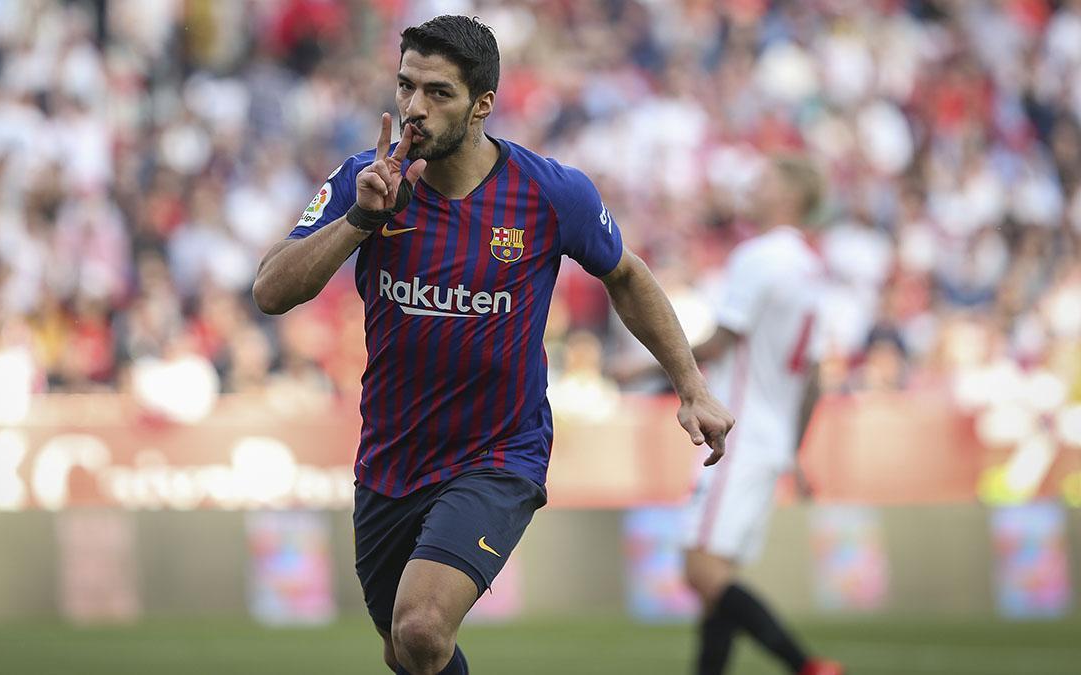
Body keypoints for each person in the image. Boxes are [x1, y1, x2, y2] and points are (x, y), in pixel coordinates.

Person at [252, 15, 734, 675]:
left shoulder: (549, 193)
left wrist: (692, 385)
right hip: (390, 459)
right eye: (406, 85)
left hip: (497, 454)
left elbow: (625, 272)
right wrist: (362, 219)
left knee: (420, 626)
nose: (415, 108)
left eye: (438, 92)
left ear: (482, 105)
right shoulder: (363, 179)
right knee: (407, 651)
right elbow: (271, 291)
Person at [681, 156, 843, 675]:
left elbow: (722, 338)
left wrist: (641, 363)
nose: (752, 186)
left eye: (766, 180)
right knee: (717, 582)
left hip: (736, 433)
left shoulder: (758, 256)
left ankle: (807, 665)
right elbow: (814, 374)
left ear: (790, 197)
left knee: (700, 569)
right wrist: (795, 450)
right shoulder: (810, 267)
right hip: (771, 441)